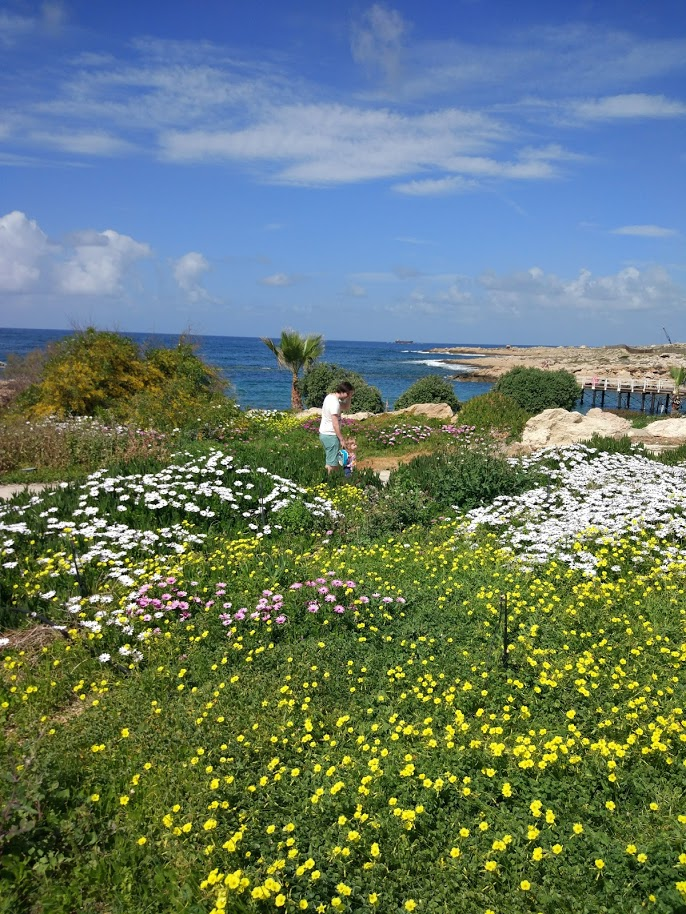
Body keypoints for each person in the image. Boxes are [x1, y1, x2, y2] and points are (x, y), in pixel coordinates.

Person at [319, 381, 354, 474]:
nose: (348, 396)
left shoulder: (330, 397)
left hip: (325, 433)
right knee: (332, 464)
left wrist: (349, 397)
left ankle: (331, 477)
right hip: (331, 435)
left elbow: (346, 407)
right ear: (343, 392)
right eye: (348, 394)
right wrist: (341, 439)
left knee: (331, 460)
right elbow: (335, 424)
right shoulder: (335, 404)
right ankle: (330, 479)